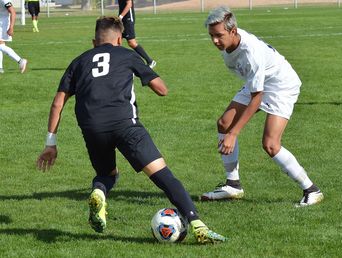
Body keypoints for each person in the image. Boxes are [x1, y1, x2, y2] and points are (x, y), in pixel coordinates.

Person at [36, 16, 226, 244]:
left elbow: (58, 103)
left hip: (91, 127)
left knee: (107, 175)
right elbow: (162, 90)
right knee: (163, 175)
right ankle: (198, 224)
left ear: (94, 41)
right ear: (119, 39)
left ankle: (99, 192)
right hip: (125, 124)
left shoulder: (78, 61)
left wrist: (51, 143)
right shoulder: (127, 54)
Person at [200, 6, 324, 207]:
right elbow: (254, 89)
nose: (214, 40)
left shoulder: (251, 52)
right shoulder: (227, 46)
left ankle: (312, 190)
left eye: (219, 35)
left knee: (270, 144)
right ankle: (233, 185)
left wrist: (234, 134)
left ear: (233, 31)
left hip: (281, 85)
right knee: (224, 123)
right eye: (211, 35)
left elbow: (257, 97)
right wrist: (230, 130)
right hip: (258, 83)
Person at [117, 0, 156, 68]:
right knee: (117, 41)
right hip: (122, 18)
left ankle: (150, 61)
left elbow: (129, 4)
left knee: (132, 42)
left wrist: (120, 16)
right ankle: (117, 64)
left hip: (128, 19)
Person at [0, 0, 27, 73]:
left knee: (0, 45)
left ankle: (20, 60)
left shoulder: (4, 0)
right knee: (1, 45)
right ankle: (0, 68)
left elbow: (13, 12)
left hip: (3, 24)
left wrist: (11, 27)